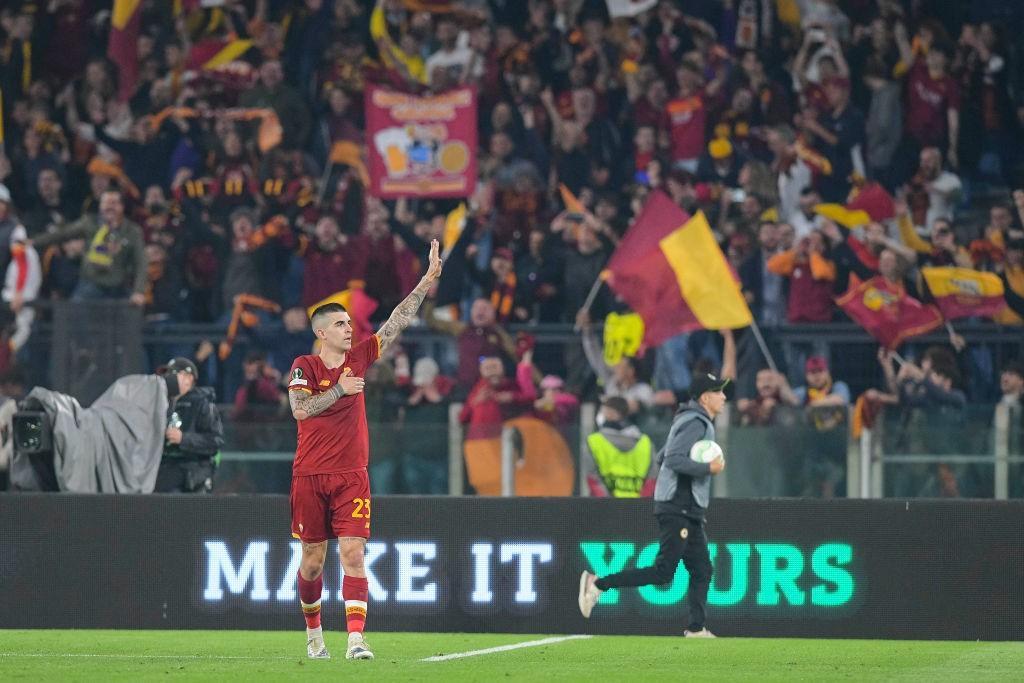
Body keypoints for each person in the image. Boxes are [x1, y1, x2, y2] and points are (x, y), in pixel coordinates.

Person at [286, 239, 442, 661]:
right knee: (313, 562)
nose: (348, 329)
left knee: (353, 553)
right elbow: (300, 411)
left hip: (352, 474)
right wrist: (339, 390)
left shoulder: (360, 357)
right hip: (310, 475)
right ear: (321, 332)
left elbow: (396, 323)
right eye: (339, 324)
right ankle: (314, 633)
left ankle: (356, 639)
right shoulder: (306, 365)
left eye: (349, 324)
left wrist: (426, 281)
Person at [578, 373, 730, 637]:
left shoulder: (687, 419)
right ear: (706, 397)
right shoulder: (696, 421)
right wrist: (708, 466)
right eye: (719, 392)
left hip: (686, 507)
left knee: (702, 568)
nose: (724, 396)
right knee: (663, 572)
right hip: (678, 505)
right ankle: (599, 584)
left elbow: (662, 456)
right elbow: (672, 459)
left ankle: (696, 628)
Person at [154, 358, 224, 494]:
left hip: (191, 476)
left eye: (172, 373)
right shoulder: (161, 404)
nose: (167, 378)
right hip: (164, 472)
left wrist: (183, 439)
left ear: (189, 378)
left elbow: (215, 441)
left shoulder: (203, 404)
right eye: (165, 375)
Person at [582, 396, 657, 498]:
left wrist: (610, 505)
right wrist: (640, 507)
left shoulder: (594, 441)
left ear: (609, 413)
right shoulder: (646, 442)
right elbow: (651, 480)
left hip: (604, 509)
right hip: (638, 509)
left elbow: (593, 479)